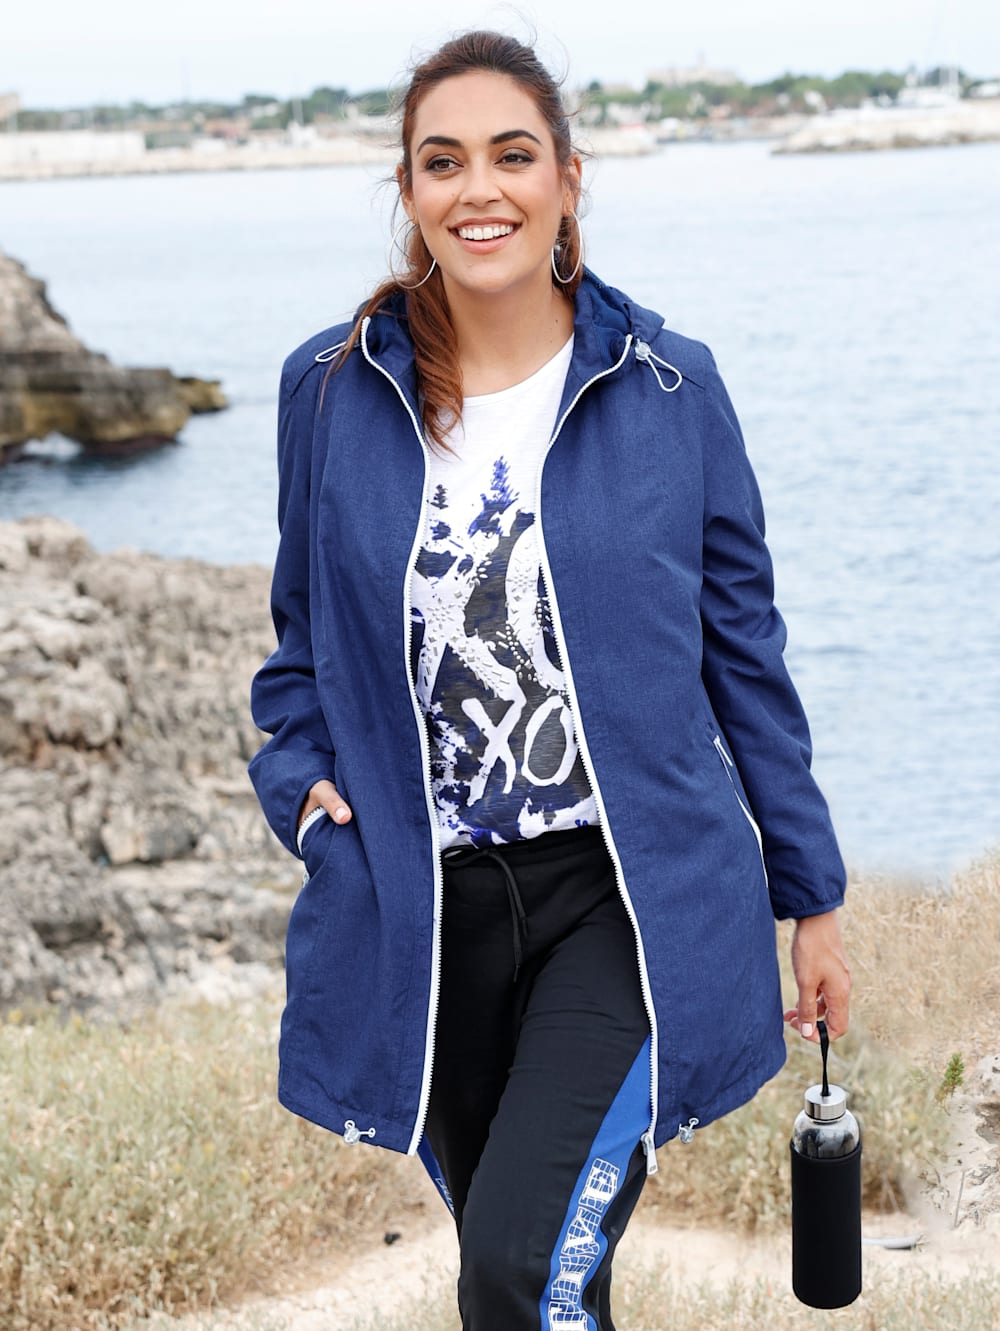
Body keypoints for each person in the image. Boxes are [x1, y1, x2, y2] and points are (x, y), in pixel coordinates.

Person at [248, 29, 852, 1331]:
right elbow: (299, 646)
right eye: (444, 161)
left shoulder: (670, 390)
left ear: (568, 178)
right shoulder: (330, 392)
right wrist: (297, 784)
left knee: (521, 1277)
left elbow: (745, 658)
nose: (481, 189)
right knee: (533, 1279)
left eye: (513, 156)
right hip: (426, 915)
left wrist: (812, 896)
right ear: (409, 191)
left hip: (626, 898)